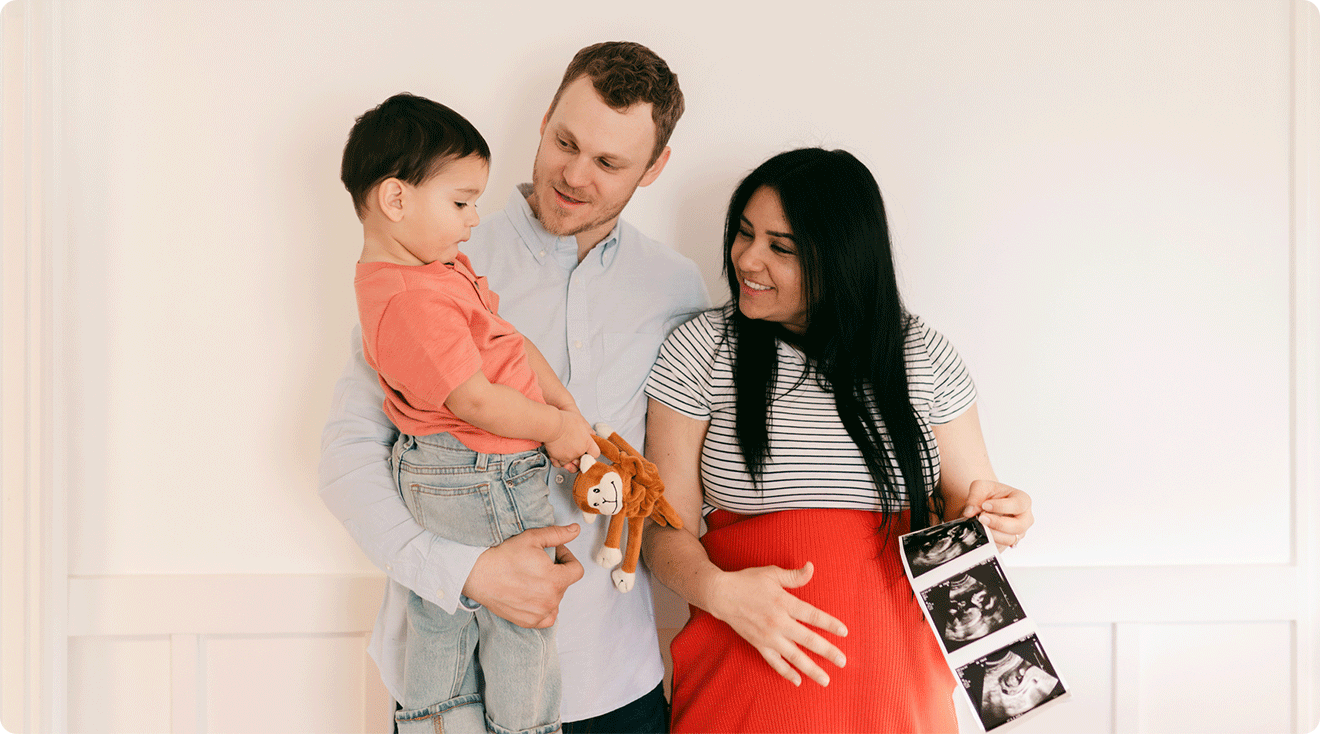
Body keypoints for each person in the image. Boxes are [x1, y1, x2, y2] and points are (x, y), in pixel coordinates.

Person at [319, 41, 708, 734]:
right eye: (565, 141)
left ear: (655, 168)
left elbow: (680, 477)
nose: (574, 174)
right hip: (453, 688)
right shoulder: (433, 261)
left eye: (610, 162)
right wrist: (466, 573)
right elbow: (347, 459)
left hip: (615, 685)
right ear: (544, 119)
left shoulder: (677, 289)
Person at [641, 147, 1035, 733]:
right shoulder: (700, 350)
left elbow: (971, 510)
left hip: (895, 686)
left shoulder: (923, 356)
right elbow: (661, 530)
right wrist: (721, 594)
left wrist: (1005, 515)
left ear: (842, 260)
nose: (746, 259)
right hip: (744, 680)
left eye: (781, 247)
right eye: (744, 233)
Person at [342, 92, 600, 734]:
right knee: (523, 618)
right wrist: (557, 428)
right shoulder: (411, 300)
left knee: (443, 613)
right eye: (460, 203)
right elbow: (473, 399)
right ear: (396, 200)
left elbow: (506, 338)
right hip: (479, 472)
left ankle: (432, 721)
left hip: (457, 470)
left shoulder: (433, 271)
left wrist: (564, 406)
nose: (475, 218)